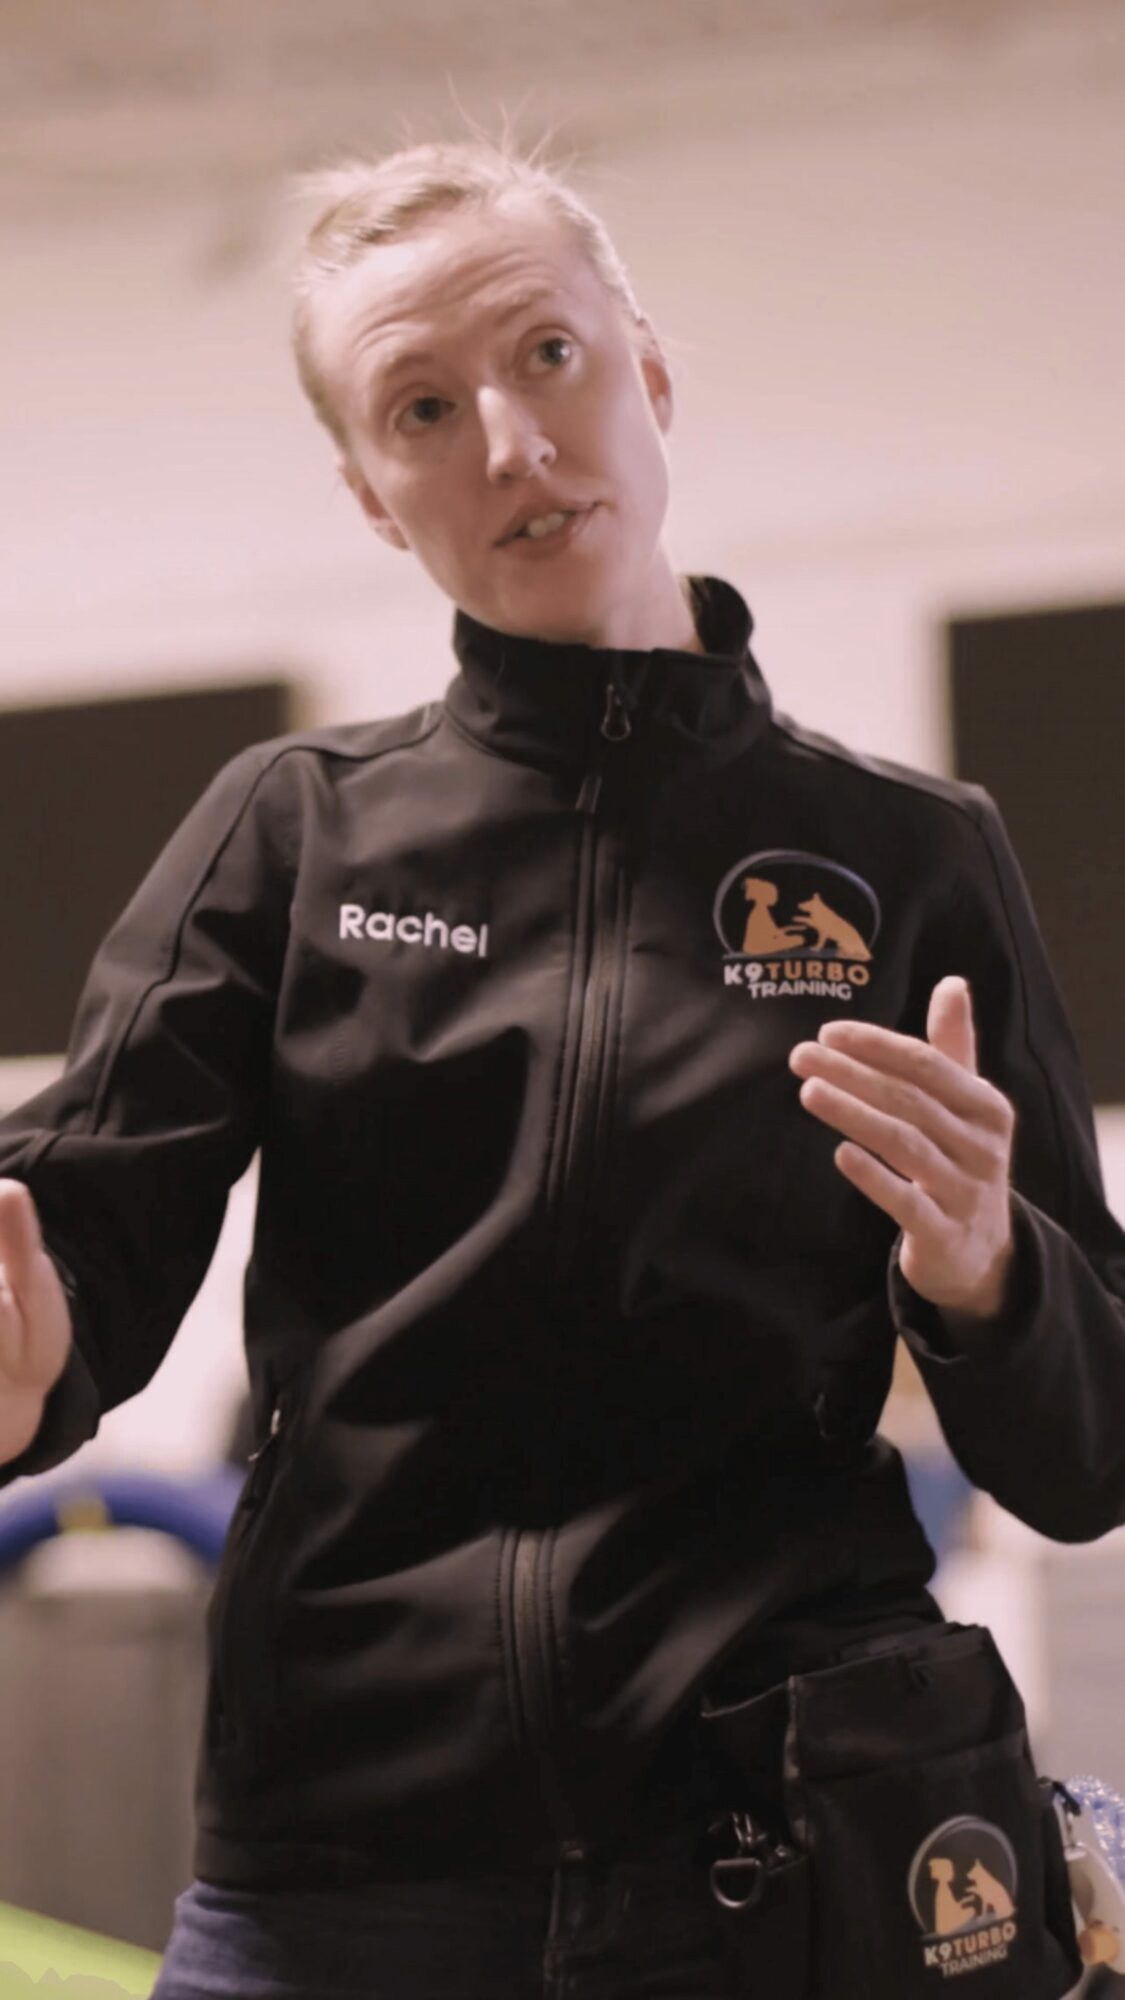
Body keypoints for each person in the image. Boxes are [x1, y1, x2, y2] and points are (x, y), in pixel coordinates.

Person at [0, 129, 1121, 2000]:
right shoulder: (293, 833)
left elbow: (1088, 1457)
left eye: (548, 359)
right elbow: (72, 1254)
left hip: (786, 1857)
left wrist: (988, 1279)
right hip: (345, 1876)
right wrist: (20, 1372)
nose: (509, 443)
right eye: (421, 406)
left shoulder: (912, 854)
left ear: (650, 373)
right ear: (372, 493)